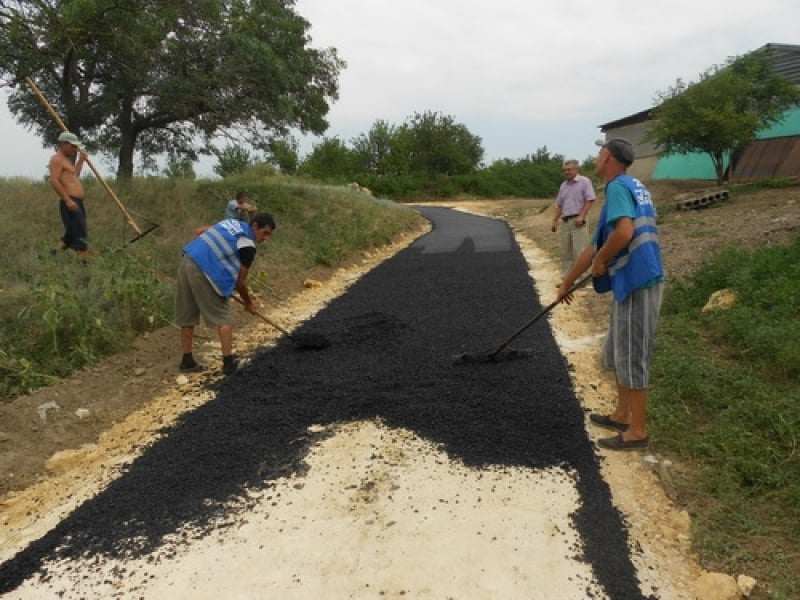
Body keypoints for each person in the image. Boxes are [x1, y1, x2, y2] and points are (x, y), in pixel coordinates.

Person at [557, 138, 665, 451]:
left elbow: (624, 233)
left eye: (599, 152)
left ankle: (637, 431)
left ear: (607, 157)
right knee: (619, 349)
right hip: (631, 281)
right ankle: (622, 414)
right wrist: (567, 281)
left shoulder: (618, 186)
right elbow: (593, 245)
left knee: (632, 354)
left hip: (639, 279)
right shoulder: (629, 186)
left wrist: (603, 260)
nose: (596, 156)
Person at [176, 213, 276, 375]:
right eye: (265, 233)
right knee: (223, 318)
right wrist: (248, 303)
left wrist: (206, 254)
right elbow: (240, 282)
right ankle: (229, 364)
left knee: (187, 314)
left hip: (187, 260)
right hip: (203, 270)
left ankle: (187, 361)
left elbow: (199, 231)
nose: (265, 239)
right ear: (255, 226)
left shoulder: (231, 223)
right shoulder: (248, 245)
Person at [551, 159, 596, 276]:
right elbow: (559, 205)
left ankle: (583, 278)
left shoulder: (584, 182)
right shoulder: (563, 186)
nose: (567, 172)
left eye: (569, 169)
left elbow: (590, 199)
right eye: (565, 170)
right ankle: (567, 277)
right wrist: (555, 220)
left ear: (576, 169)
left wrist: (582, 216)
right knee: (566, 252)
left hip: (578, 221)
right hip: (565, 222)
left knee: (580, 251)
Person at [49, 131, 89, 261]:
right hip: (70, 201)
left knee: (72, 232)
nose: (75, 149)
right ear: (63, 144)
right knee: (79, 232)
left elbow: (74, 176)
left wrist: (81, 160)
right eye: (72, 146)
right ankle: (83, 264)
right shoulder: (56, 160)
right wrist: (67, 200)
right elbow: (54, 180)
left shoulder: (67, 160)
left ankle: (53, 254)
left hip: (77, 200)